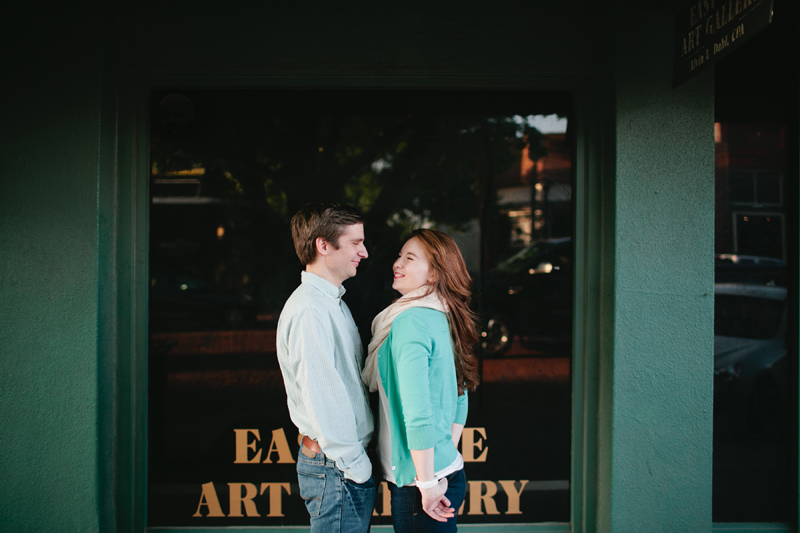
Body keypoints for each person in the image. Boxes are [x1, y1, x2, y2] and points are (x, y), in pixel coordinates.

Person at [362, 228, 480, 532]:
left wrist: (427, 482)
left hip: (419, 485)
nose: (397, 264)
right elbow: (460, 396)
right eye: (399, 256)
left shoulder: (410, 322)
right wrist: (442, 454)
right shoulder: (442, 314)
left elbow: (418, 411)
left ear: (433, 275)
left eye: (409, 258)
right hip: (445, 470)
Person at [276, 202, 375, 533]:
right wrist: (355, 466)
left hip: (339, 466)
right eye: (355, 242)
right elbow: (324, 400)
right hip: (337, 469)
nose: (364, 251)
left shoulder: (330, 303)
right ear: (323, 245)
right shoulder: (311, 312)